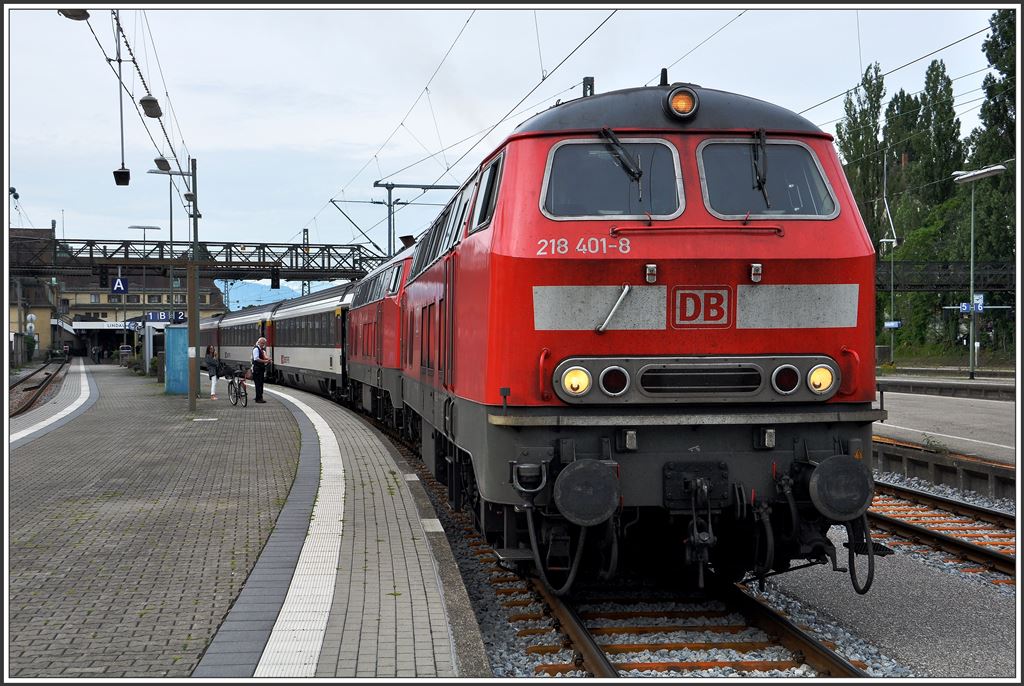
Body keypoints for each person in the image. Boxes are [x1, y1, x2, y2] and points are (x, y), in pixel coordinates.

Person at [251, 336, 270, 403]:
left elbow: (264, 356)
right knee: (258, 384)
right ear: (258, 342)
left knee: (260, 384)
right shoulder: (256, 349)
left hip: (260, 369)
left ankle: (259, 397)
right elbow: (256, 359)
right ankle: (258, 399)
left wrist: (268, 360)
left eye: (264, 343)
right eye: (262, 343)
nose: (263, 345)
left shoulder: (261, 350)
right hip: (257, 369)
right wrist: (265, 361)